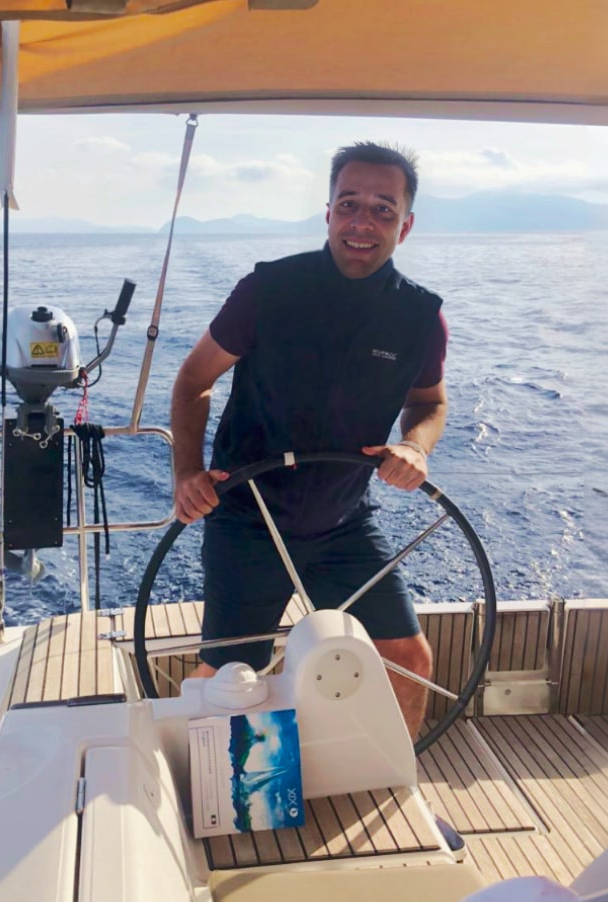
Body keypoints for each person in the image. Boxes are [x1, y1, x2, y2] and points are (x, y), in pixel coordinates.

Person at [171, 141, 448, 740]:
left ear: (405, 224)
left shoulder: (421, 318)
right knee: (227, 675)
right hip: (248, 519)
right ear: (328, 213)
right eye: (349, 204)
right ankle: (191, 772)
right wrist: (187, 472)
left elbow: (429, 402)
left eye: (383, 208)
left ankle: (391, 780)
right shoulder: (268, 290)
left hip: (343, 522)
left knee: (410, 660)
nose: (362, 221)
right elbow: (194, 380)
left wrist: (416, 447)